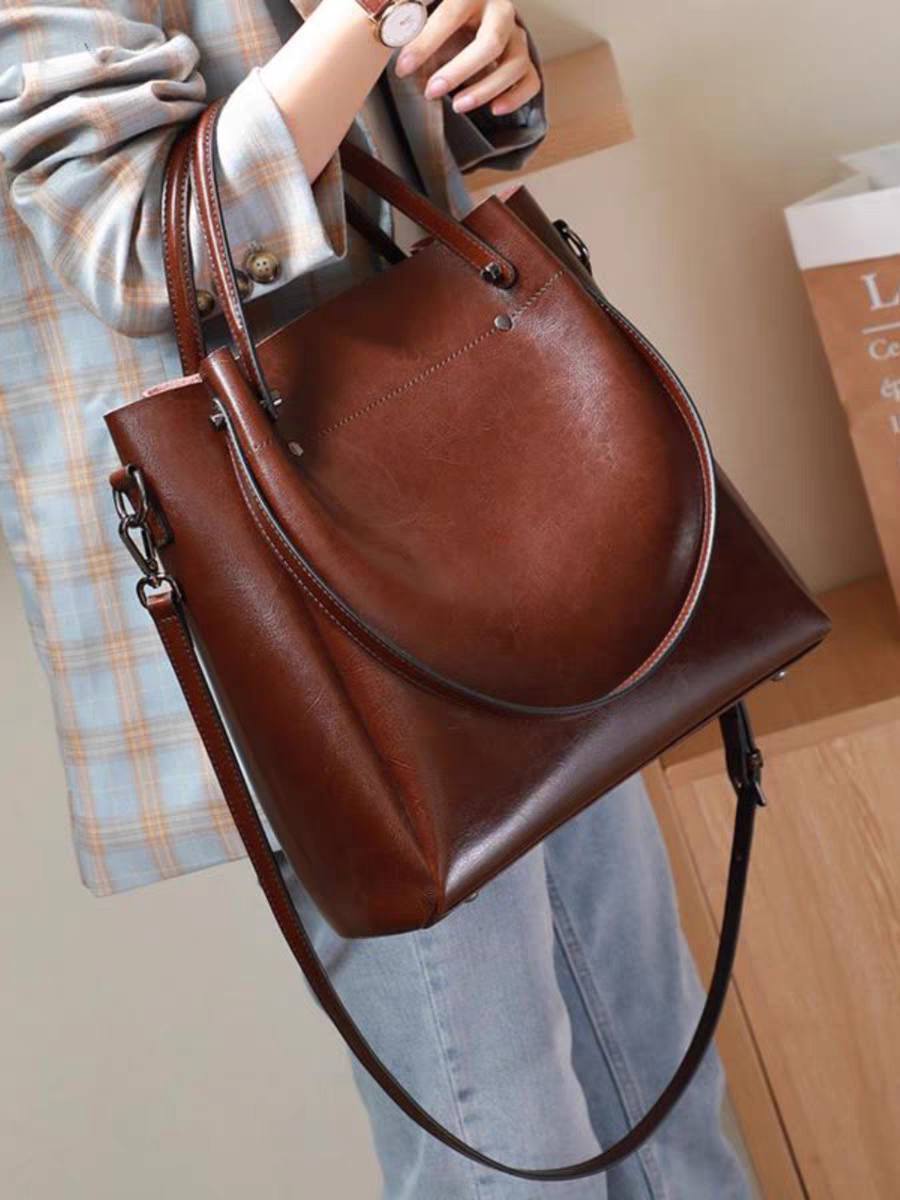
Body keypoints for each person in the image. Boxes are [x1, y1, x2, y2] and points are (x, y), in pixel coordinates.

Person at [0, 1, 752, 1195]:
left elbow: (372, 137)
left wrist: (481, 65)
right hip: (309, 612)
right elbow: (140, 244)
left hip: (490, 517)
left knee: (661, 1088)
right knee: (510, 1147)